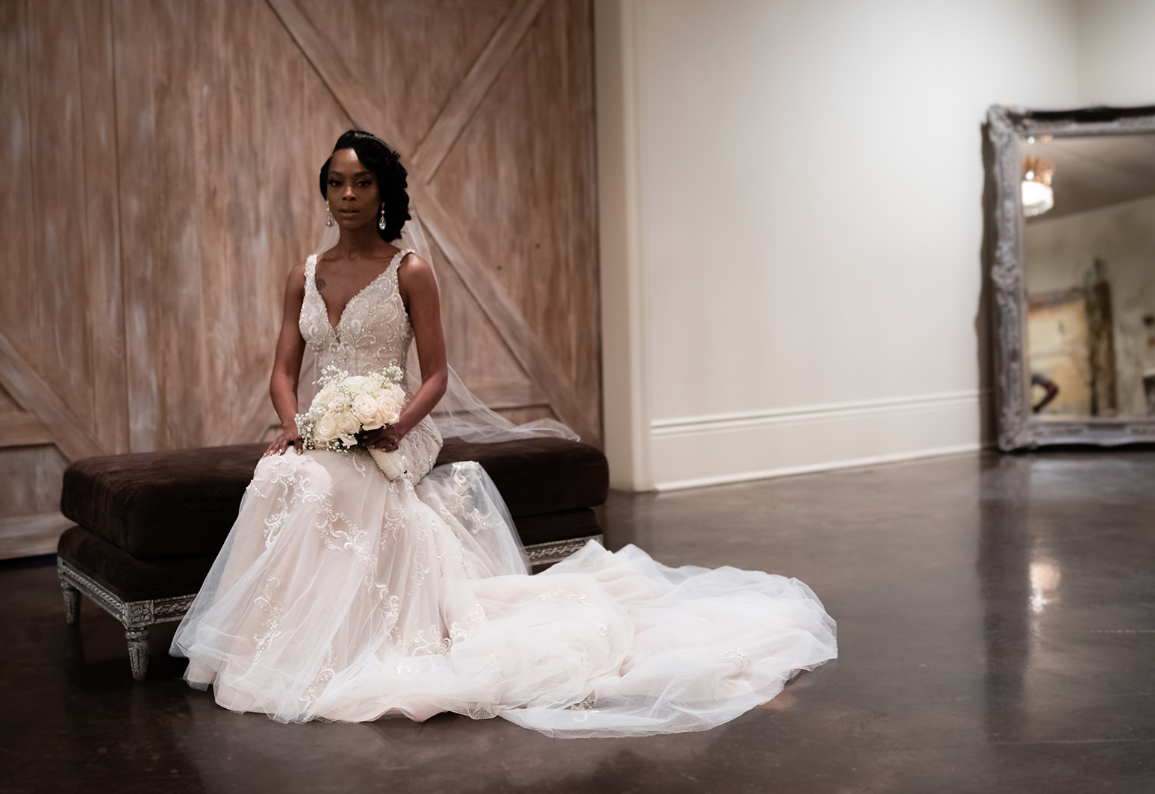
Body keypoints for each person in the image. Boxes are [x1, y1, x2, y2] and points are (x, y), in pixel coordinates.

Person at [171, 130, 837, 738]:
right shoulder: (304, 273)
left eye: (362, 183)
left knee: (324, 485)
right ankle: (287, 642)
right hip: (322, 426)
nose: (347, 195)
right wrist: (293, 427)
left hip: (393, 425)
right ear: (324, 192)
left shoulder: (409, 271)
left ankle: (346, 640)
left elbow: (436, 375)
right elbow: (283, 370)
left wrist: (394, 427)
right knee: (282, 474)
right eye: (336, 183)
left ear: (383, 192)